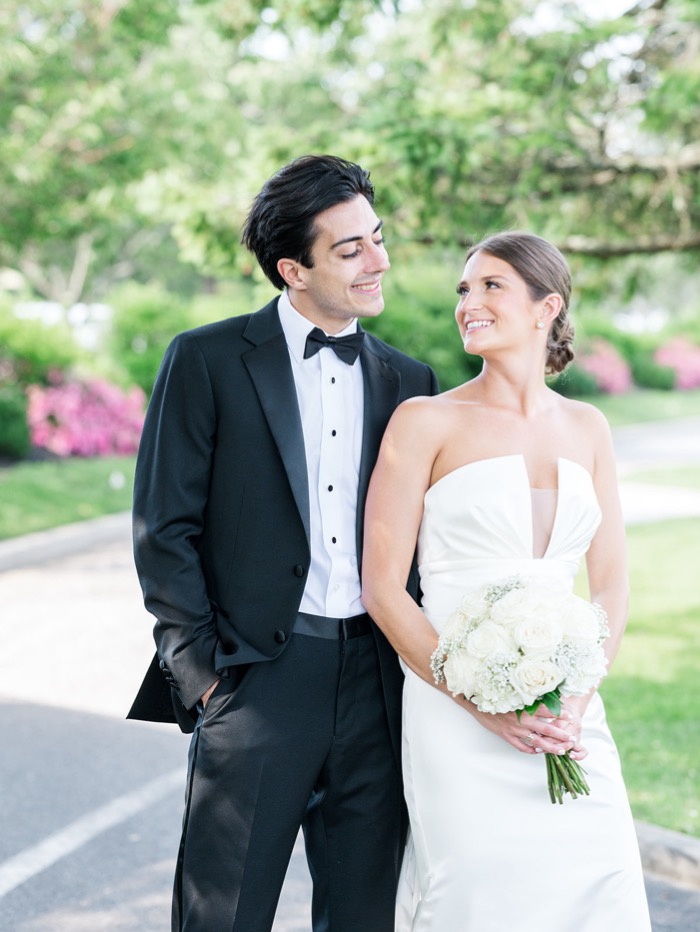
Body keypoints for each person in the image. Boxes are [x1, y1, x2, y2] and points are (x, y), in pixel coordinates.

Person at [127, 154, 439, 931]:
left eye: (377, 237)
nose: (379, 261)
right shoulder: (205, 360)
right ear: (292, 270)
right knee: (222, 916)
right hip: (254, 681)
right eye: (350, 249)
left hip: (377, 684)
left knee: (364, 916)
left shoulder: (413, 382)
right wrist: (202, 675)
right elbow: (163, 529)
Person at [361, 231, 651, 929]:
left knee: (598, 877)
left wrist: (577, 703)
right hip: (453, 712)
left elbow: (609, 585)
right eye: (465, 289)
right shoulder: (424, 421)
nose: (469, 303)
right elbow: (381, 588)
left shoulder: (589, 427)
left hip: (568, 716)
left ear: (545, 307)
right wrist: (479, 703)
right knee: (475, 893)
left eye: (492, 286)